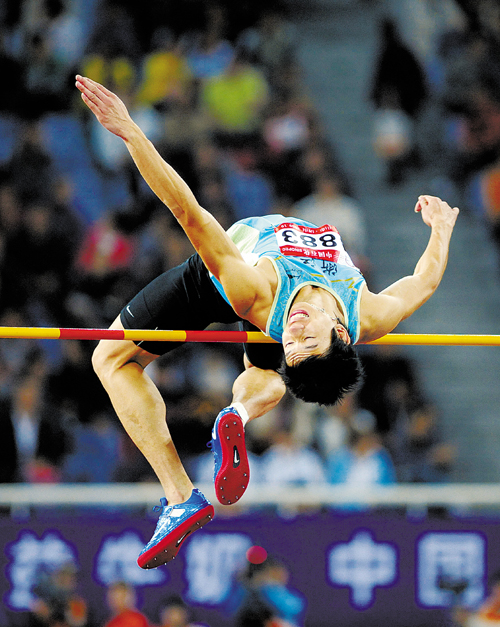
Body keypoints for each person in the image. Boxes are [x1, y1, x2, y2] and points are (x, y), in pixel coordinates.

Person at [75, 75, 459, 570]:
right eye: (305, 337)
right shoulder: (370, 314)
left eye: (292, 343)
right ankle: (233, 417)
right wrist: (442, 230)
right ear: (343, 334)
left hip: (234, 275)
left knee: (108, 357)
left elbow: (190, 214)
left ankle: (179, 494)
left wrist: (133, 133)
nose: (294, 331)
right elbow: (422, 282)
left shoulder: (259, 298)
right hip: (260, 277)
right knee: (260, 370)